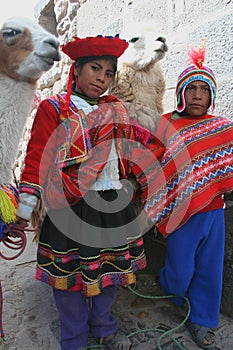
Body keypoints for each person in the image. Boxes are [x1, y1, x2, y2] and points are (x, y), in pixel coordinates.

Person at [15, 35, 148, 350]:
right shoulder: (55, 109)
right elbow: (36, 158)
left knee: (111, 271)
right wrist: (24, 207)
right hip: (71, 207)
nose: (102, 78)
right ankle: (73, 338)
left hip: (113, 203)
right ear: (76, 70)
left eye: (109, 73)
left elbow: (133, 149)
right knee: (70, 280)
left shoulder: (115, 110)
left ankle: (103, 325)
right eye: (95, 68)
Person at [132, 42, 233, 349]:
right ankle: (170, 288)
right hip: (180, 212)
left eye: (204, 89)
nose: (197, 95)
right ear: (181, 94)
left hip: (213, 211)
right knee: (180, 269)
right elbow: (150, 157)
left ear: (212, 96)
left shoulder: (222, 128)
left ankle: (202, 319)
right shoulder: (168, 123)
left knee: (209, 269)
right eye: (191, 89)